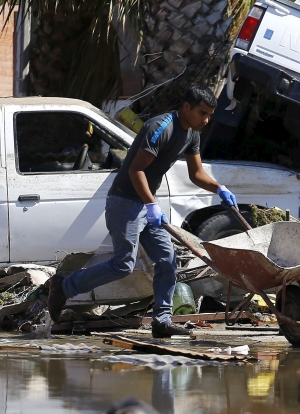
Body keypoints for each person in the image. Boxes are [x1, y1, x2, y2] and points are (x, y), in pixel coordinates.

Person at [48, 85, 234, 338]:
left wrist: (219, 188)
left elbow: (197, 173)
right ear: (186, 107)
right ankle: (64, 286)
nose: (207, 119)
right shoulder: (160, 128)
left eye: (210, 114)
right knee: (123, 264)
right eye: (203, 113)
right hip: (125, 201)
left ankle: (162, 320)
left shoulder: (191, 134)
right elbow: (136, 170)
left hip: (147, 203)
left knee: (167, 260)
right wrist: (151, 205)